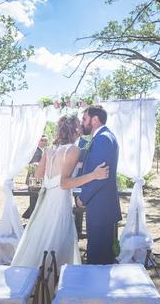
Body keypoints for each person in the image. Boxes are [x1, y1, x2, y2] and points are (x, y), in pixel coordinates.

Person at [11, 114, 109, 268]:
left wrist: (57, 171)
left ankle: (36, 274)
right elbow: (64, 183)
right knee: (58, 237)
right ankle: (55, 275)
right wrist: (94, 175)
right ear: (75, 130)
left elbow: (38, 176)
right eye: (79, 125)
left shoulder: (50, 149)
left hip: (46, 201)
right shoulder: (73, 150)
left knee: (42, 235)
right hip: (60, 202)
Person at [77, 105, 121, 264]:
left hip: (100, 206)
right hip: (102, 205)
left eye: (84, 119)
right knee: (100, 255)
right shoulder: (103, 136)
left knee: (98, 258)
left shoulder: (103, 139)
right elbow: (89, 161)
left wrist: (83, 197)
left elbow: (100, 175)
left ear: (94, 119)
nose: (82, 123)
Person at [22, 135, 48, 219]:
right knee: (34, 196)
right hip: (35, 178)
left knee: (35, 197)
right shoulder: (37, 151)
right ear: (37, 141)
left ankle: (29, 214)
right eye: (42, 140)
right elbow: (34, 166)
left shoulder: (41, 150)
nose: (43, 142)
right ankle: (31, 215)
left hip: (36, 178)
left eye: (45, 140)